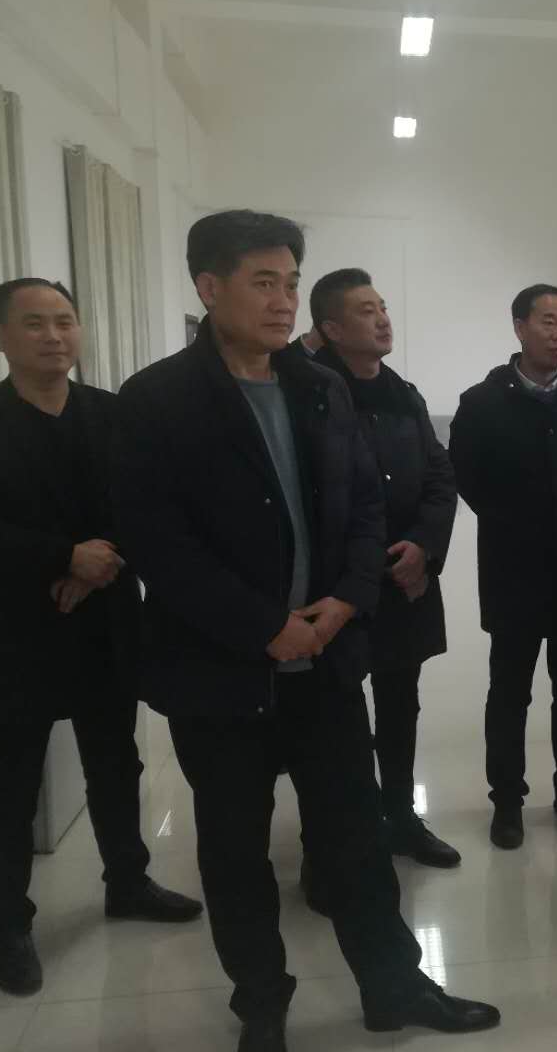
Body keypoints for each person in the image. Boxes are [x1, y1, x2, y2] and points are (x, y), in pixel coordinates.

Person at [112, 210, 499, 1052]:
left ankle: (394, 986)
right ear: (208, 287)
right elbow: (157, 543)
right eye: (263, 282)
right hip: (219, 674)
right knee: (236, 853)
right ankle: (262, 1003)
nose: (284, 301)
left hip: (324, 663)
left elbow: (364, 506)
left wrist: (348, 600)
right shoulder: (155, 401)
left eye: (290, 283)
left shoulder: (321, 388)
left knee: (355, 841)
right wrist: (263, 626)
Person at [0, 278, 203, 997]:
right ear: (1, 337)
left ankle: (128, 882)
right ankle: (9, 923)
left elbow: (146, 506)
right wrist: (63, 558)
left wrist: (94, 566)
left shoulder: (112, 415)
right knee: (12, 780)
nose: (53, 336)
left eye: (64, 321)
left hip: (105, 619)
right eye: (34, 324)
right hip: (20, 626)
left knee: (116, 762)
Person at [288, 267, 461, 878]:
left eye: (383, 306)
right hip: (337, 587)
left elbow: (440, 476)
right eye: (366, 311)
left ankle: (401, 817)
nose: (384, 319)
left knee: (399, 704)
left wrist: (424, 547)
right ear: (331, 329)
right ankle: (329, 842)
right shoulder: (309, 396)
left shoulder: (403, 394)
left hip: (403, 578)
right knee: (330, 717)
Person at [450, 284, 557, 849]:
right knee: (510, 691)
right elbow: (466, 477)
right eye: (548, 322)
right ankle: (507, 801)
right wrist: (517, 519)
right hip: (513, 570)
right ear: (519, 327)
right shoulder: (482, 402)